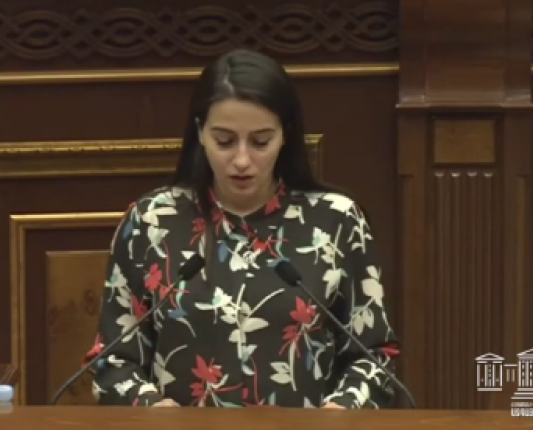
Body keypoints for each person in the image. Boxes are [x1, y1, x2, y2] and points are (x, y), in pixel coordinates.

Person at [81, 49, 400, 409]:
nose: (243, 160)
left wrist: (342, 410)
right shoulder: (151, 221)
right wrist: (150, 409)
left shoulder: (337, 221)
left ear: (285, 135)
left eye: (261, 141)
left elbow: (375, 358)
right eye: (225, 141)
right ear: (200, 133)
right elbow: (112, 361)